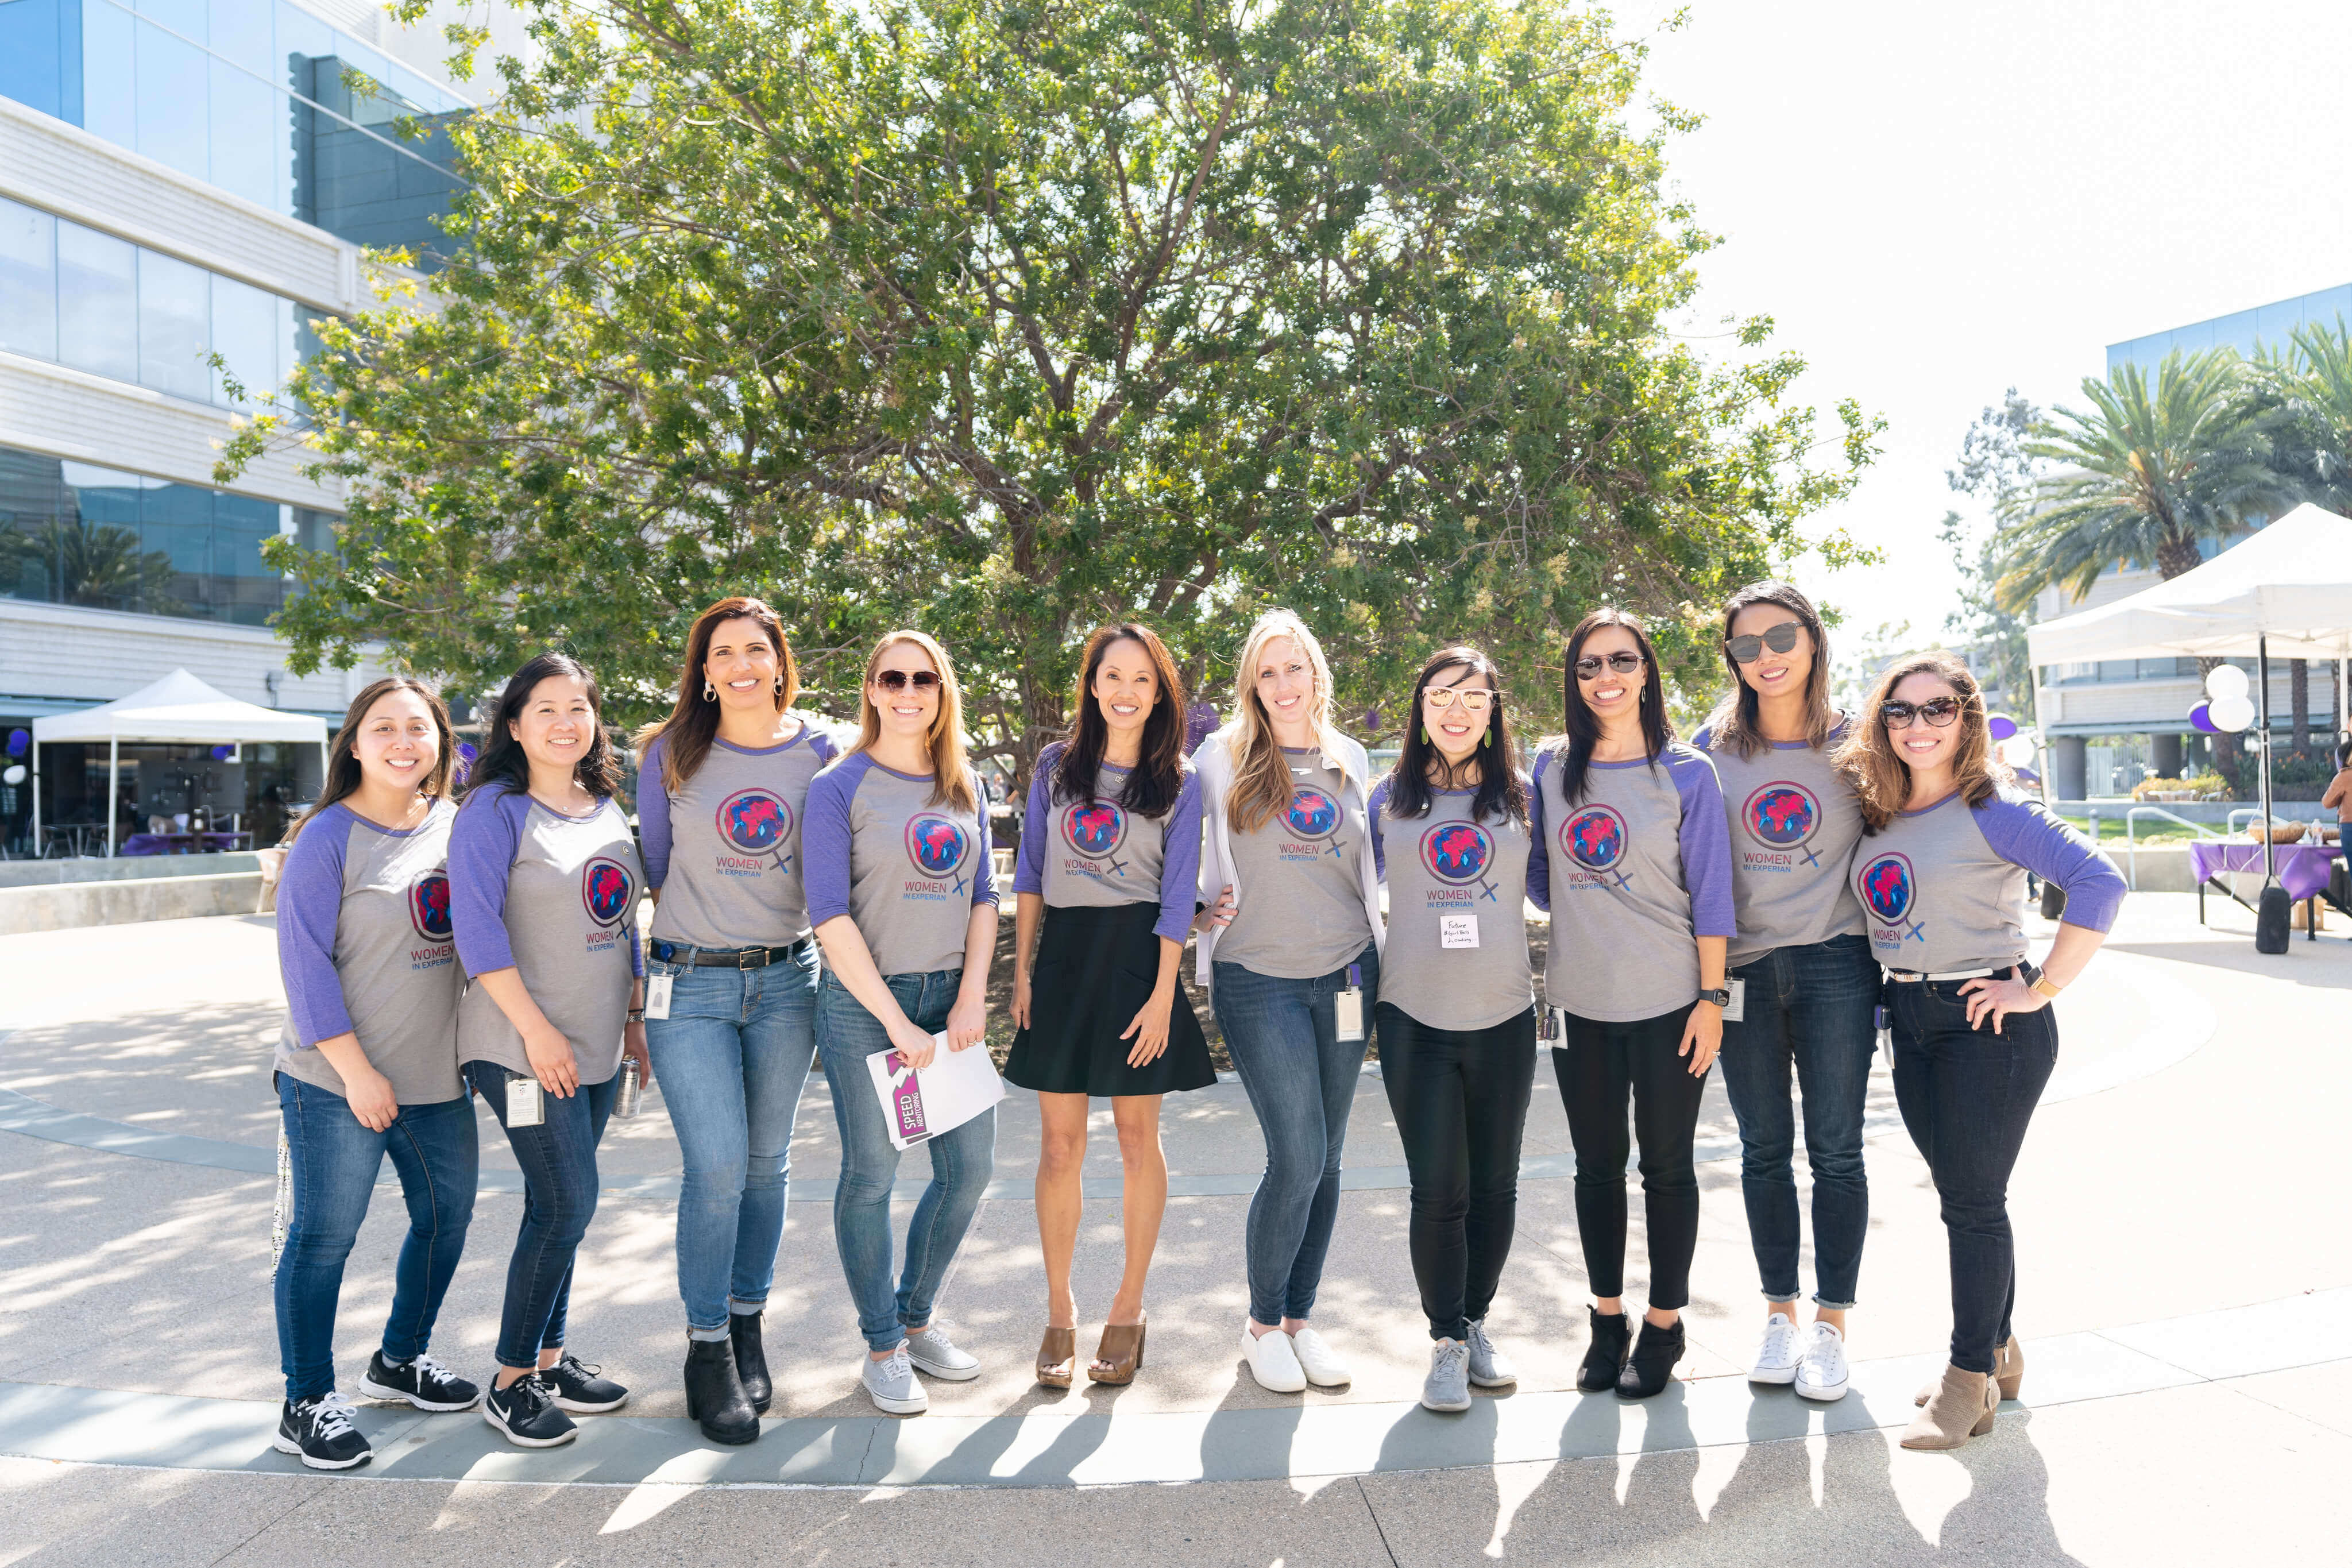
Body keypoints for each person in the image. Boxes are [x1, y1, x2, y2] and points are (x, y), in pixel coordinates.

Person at [1839, 651, 2125, 1450]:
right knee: (1965, 1193)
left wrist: (2039, 989)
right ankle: (1999, 1351)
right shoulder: (1881, 810)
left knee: (1972, 1200)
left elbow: (2100, 881)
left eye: (1938, 708)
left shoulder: (1992, 804)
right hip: (1911, 1013)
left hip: (1987, 1020)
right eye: (1901, 711)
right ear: (1881, 723)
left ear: (1966, 717)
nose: (1918, 724)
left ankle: (1969, 1380)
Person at [634, 597, 839, 1443]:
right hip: (689, 985)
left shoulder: (825, 752)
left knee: (767, 1163)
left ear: (781, 660)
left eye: (758, 649)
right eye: (724, 652)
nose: (743, 664)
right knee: (715, 1166)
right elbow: (652, 865)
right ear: (705, 670)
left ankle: (748, 1319)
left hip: (787, 981)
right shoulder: (669, 752)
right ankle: (706, 1345)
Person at [1528, 608, 1733, 1400]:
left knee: (1669, 1167)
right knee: (1594, 1167)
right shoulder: (1552, 769)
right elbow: (1540, 874)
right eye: (1588, 666)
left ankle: (1664, 1321)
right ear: (1574, 681)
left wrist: (1711, 998)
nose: (1604, 678)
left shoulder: (1688, 774)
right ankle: (1606, 1318)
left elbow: (1713, 895)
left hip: (1673, 1003)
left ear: (1646, 670)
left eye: (1620, 661)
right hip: (1579, 1004)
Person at [270, 678, 474, 1470]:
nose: (401, 741)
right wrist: (356, 1073)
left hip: (434, 1077)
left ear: (438, 743)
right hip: (333, 1079)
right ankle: (307, 1398)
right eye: (382, 727)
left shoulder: (457, 826)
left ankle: (399, 1358)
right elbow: (305, 967)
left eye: (417, 728)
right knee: (325, 1237)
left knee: (446, 1219)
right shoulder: (325, 837)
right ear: (353, 743)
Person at [1006, 623, 1214, 1387]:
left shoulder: (1181, 778)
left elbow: (1176, 894)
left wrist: (1164, 994)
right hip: (1062, 958)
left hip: (1137, 959)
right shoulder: (1057, 767)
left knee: (1136, 1137)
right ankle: (1059, 1309)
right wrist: (1022, 971)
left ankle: (1128, 1308)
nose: (1126, 691)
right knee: (1059, 1146)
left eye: (1142, 679)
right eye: (1112, 676)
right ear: (1091, 685)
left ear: (1160, 692)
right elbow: (1030, 871)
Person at [451, 652, 647, 1450]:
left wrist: (634, 1014)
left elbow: (624, 916)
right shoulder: (494, 809)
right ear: (514, 723)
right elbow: (476, 927)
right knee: (567, 1200)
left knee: (562, 1203)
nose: (566, 722)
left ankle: (553, 1356)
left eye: (579, 708)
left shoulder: (603, 802)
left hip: (597, 1040)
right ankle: (510, 1380)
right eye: (546, 709)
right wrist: (535, 1031)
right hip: (520, 1042)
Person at [804, 629, 1001, 1416]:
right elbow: (828, 914)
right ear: (873, 688)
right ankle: (881, 1345)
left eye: (924, 676)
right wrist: (894, 1019)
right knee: (872, 1176)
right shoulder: (837, 786)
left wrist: (968, 997)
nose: (909, 689)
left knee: (970, 1171)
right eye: (894, 677)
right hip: (864, 1007)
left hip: (947, 1001)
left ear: (941, 688)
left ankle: (916, 1316)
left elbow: (985, 895)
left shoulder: (964, 783)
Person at [1691, 582, 1876, 1403]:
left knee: (1836, 1149)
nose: (1764, 656)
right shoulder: (1711, 749)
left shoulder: (1861, 743)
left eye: (1780, 637)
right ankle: (1780, 1315)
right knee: (1762, 1149)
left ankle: (1832, 1328)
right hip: (1743, 975)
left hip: (1838, 962)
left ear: (1812, 639)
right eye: (1746, 644)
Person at [1194, 609, 1383, 1396]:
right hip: (1258, 977)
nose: (1282, 684)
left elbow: (1372, 867)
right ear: (1251, 684)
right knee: (1298, 1152)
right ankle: (1262, 1323)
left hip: (1346, 976)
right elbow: (1183, 855)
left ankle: (1300, 1321)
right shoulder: (1220, 757)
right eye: (1266, 672)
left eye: (1294, 667)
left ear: (1317, 674)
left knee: (1331, 1157)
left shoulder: (1351, 757)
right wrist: (1198, 918)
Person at [1365, 646, 1536, 1413]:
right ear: (1420, 707)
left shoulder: (1525, 800)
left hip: (1504, 1017)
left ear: (1494, 708)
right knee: (1440, 1189)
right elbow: (1344, 891)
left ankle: (1473, 1325)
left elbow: (1569, 891)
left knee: (1496, 1186)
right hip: (1414, 1021)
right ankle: (1442, 1341)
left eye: (1473, 696)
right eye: (1441, 695)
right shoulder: (1387, 801)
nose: (1457, 710)